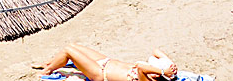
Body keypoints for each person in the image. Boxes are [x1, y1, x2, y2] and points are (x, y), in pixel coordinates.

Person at [40, 44, 178, 81]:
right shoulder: (156, 73)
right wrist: (169, 63)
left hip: (100, 74)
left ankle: (47, 71)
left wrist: (161, 71)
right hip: (107, 61)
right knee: (74, 46)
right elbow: (156, 51)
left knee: (68, 51)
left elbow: (141, 67)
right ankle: (50, 63)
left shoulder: (148, 80)